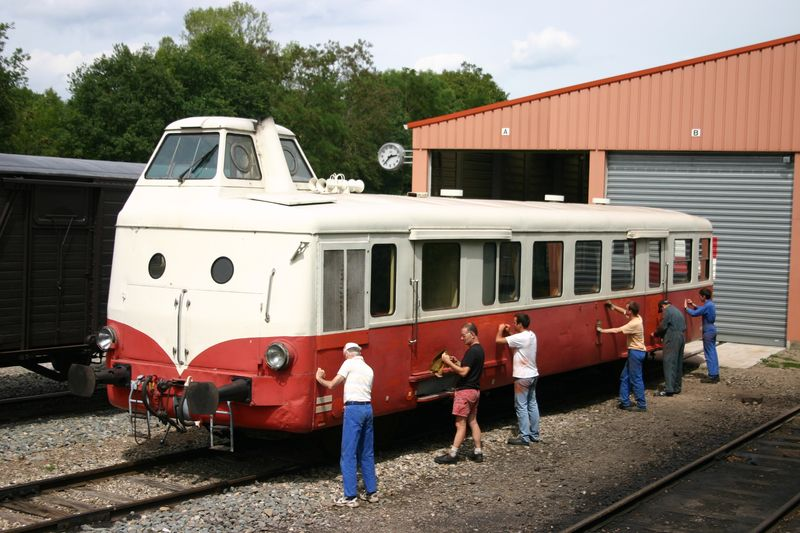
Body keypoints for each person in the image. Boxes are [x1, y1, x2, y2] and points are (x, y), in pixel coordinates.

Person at [316, 342, 378, 507]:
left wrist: (319, 377)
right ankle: (371, 492)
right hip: (368, 408)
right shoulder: (368, 369)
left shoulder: (349, 363)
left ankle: (350, 497)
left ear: (348, 353)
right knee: (367, 452)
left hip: (354, 410)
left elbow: (332, 384)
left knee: (348, 454)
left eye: (344, 354)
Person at [434, 322, 485, 464]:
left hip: (465, 392)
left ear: (472, 334)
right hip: (475, 391)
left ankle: (453, 454)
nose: (462, 339)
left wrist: (447, 362)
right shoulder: (480, 350)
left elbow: (463, 372)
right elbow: (468, 367)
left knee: (460, 424)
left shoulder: (472, 351)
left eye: (464, 336)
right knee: (473, 421)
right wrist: (457, 362)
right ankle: (478, 451)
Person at [496, 313, 539, 445]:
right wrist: (509, 333)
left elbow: (498, 340)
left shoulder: (520, 338)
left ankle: (524, 437)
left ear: (520, 324)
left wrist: (500, 329)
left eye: (515, 322)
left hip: (522, 377)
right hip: (533, 374)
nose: (513, 324)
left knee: (521, 406)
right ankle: (534, 434)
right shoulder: (531, 335)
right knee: (532, 404)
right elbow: (515, 342)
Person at [597, 301, 647, 412]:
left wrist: (601, 330)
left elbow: (617, 330)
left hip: (636, 352)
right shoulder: (638, 317)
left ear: (631, 311)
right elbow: (623, 312)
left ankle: (642, 405)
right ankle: (625, 402)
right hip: (635, 352)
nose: (625, 310)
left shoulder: (634, 324)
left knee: (636, 379)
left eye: (627, 309)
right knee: (624, 377)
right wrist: (613, 307)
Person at [686, 288, 719, 383]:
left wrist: (686, 308)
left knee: (709, 353)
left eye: (700, 296)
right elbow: (702, 310)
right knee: (712, 352)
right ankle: (715, 374)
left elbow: (695, 313)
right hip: (712, 329)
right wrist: (693, 305)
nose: (699, 297)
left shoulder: (707, 305)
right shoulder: (710, 304)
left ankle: (712, 375)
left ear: (703, 296)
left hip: (708, 331)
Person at [653, 299, 686, 396]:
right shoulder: (678, 311)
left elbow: (663, 326)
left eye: (661, 309)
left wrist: (656, 333)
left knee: (669, 362)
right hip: (681, 336)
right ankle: (677, 387)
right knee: (678, 363)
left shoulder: (667, 311)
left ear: (662, 306)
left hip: (672, 337)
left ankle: (669, 389)